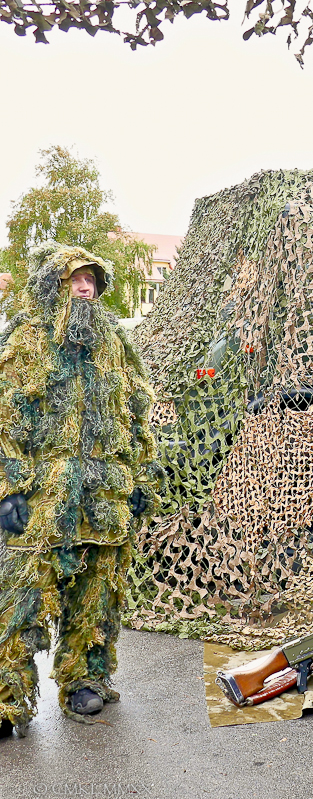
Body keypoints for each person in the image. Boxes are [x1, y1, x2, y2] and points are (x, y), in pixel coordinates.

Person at [0, 241, 161, 736]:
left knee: (98, 593)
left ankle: (85, 679)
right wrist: (9, 490)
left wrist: (142, 476)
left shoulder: (113, 341)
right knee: (23, 598)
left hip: (106, 492)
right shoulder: (28, 340)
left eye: (92, 278)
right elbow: (6, 417)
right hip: (44, 492)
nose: (86, 286)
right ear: (54, 286)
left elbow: (137, 411)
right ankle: (6, 697)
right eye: (76, 278)